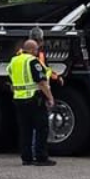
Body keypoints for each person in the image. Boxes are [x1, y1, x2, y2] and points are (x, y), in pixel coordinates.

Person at [7, 38, 56, 167]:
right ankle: (41, 158)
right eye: (36, 50)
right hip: (34, 99)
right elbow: (41, 82)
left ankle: (26, 158)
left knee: (25, 129)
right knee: (41, 128)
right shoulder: (32, 61)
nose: (37, 51)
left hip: (18, 99)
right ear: (33, 50)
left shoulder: (14, 61)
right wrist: (50, 97)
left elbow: (10, 74)